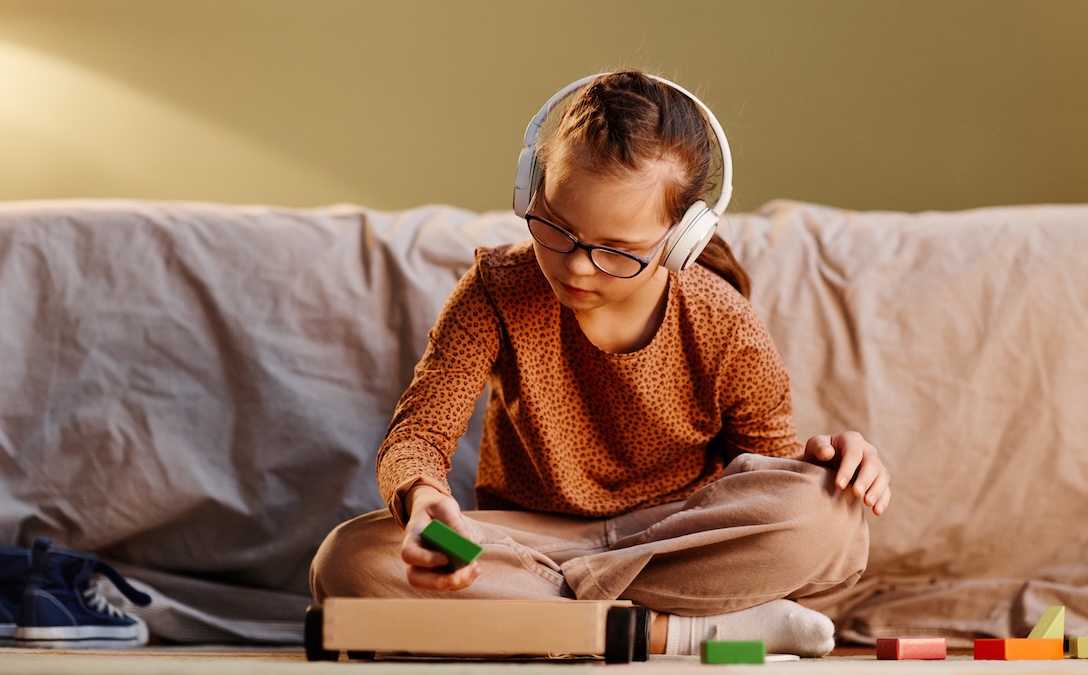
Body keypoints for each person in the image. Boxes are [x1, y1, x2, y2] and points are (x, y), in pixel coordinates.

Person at [310, 69, 891, 657]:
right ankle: (680, 632)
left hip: (676, 537)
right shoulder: (495, 290)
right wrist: (422, 501)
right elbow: (421, 431)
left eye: (617, 250)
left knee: (830, 516)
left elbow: (763, 475)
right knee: (349, 560)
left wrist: (822, 467)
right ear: (530, 191)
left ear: (680, 238)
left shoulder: (723, 321)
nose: (577, 267)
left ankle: (546, 618)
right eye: (556, 229)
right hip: (532, 545)